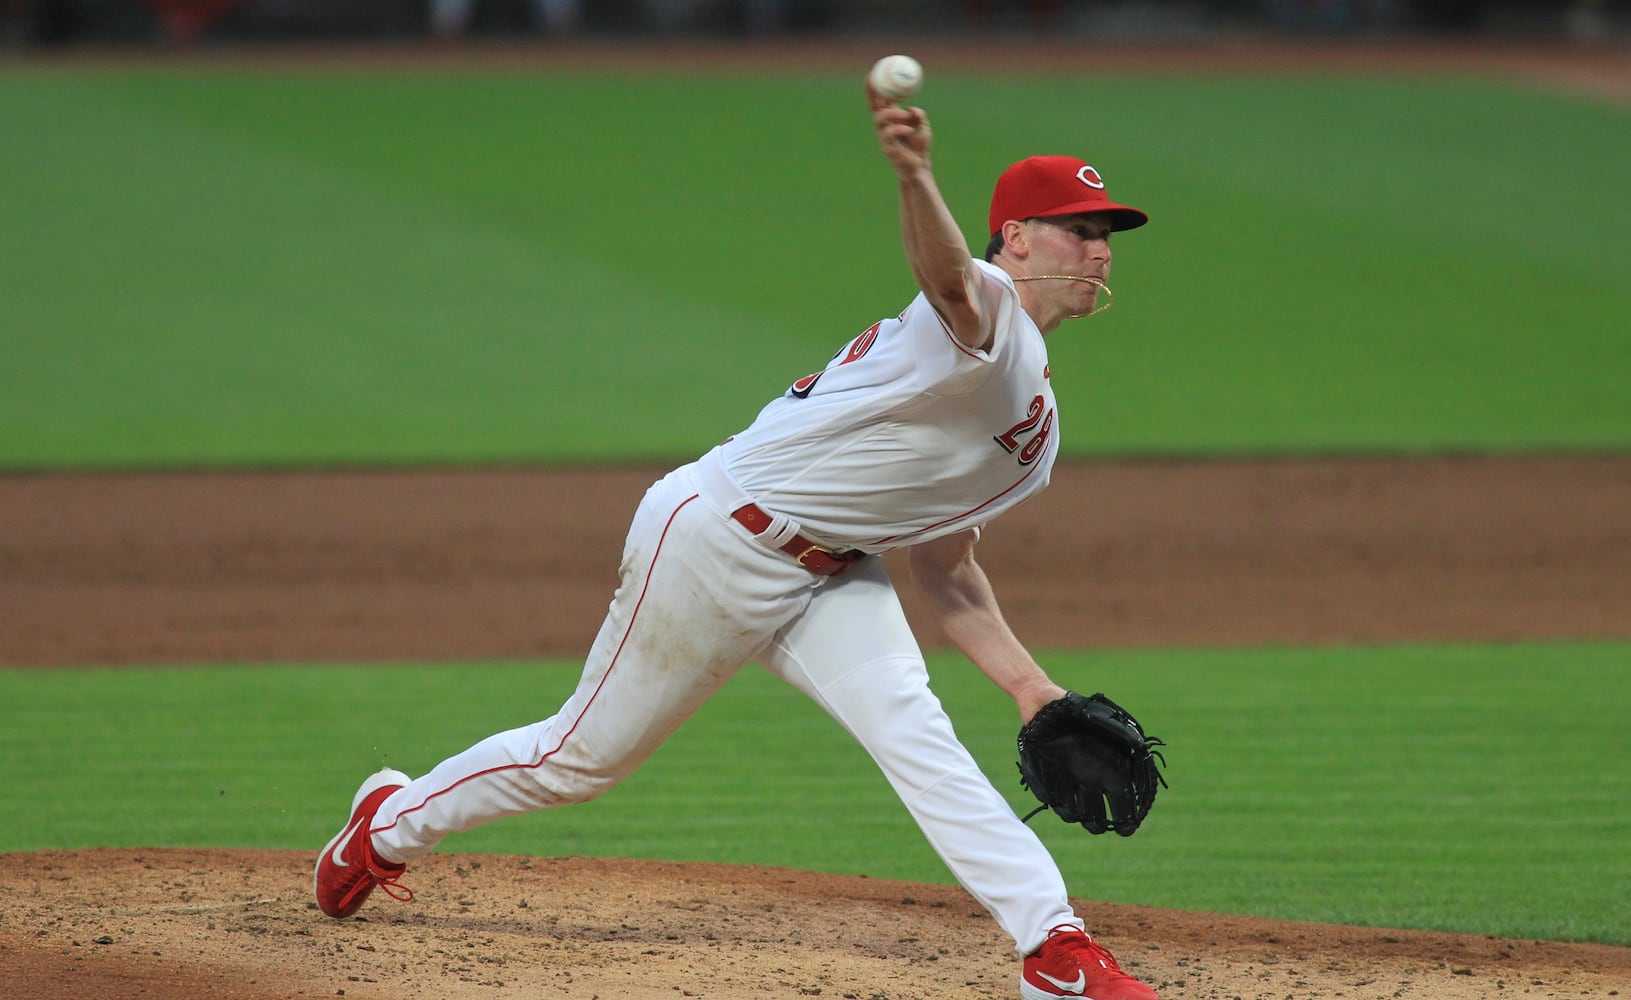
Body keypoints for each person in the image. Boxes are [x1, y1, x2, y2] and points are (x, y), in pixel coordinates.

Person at [314, 75, 1159, 1000]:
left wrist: (1032, 692)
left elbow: (947, 573)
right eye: (1078, 228)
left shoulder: (1032, 430)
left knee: (915, 734)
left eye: (1105, 235)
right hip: (714, 539)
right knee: (578, 762)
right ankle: (386, 825)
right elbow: (947, 278)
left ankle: (1053, 948)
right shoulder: (987, 313)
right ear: (1015, 239)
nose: (1097, 251)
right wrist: (914, 176)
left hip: (832, 577)